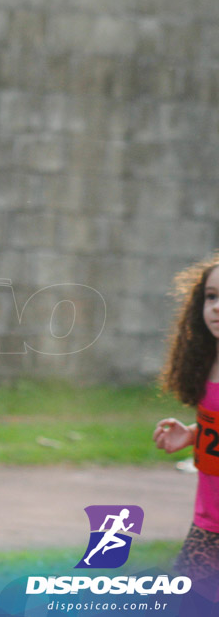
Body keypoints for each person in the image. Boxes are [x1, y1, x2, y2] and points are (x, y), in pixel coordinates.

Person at [153, 254, 219, 595]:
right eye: (211, 296)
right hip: (207, 524)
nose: (217, 307)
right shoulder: (209, 365)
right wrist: (194, 434)